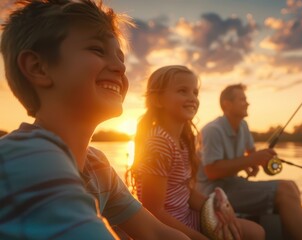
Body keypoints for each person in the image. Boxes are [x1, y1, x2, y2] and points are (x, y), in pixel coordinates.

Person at [0, 1, 188, 239]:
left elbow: (155, 233)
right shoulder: (26, 159)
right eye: (97, 50)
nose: (120, 67)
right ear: (38, 68)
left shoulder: (96, 166)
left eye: (121, 58)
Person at [128, 65, 265, 240]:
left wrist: (218, 211)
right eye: (182, 91)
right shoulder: (159, 144)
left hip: (187, 217)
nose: (192, 98)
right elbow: (153, 211)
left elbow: (185, 190)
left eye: (195, 92)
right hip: (167, 229)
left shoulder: (185, 141)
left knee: (256, 232)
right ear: (157, 100)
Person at [196, 84, 302, 240]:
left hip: (233, 184)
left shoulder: (243, 125)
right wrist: (250, 160)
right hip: (213, 193)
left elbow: (251, 153)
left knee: (291, 185)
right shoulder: (212, 130)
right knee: (284, 189)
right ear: (226, 104)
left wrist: (258, 161)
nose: (247, 103)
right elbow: (212, 171)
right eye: (242, 99)